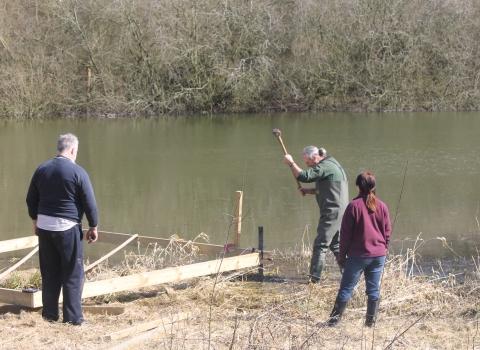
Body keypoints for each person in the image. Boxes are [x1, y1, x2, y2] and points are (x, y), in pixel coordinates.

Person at [26, 133, 98, 325]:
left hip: (45, 227)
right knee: (73, 273)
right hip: (67, 228)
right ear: (73, 150)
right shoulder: (78, 172)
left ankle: (49, 316)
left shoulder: (42, 169)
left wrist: (35, 220)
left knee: (50, 271)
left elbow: (31, 199)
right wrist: (93, 225)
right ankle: (73, 318)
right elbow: (89, 202)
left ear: (59, 148)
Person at [327, 172, 391, 327]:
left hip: (357, 256)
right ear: (374, 186)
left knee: (346, 289)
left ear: (358, 187)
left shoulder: (353, 206)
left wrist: (341, 256)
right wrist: (383, 248)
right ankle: (370, 324)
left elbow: (345, 236)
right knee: (373, 290)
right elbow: (387, 232)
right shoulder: (382, 206)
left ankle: (333, 323)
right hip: (378, 255)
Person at [284, 146, 349, 283]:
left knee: (320, 244)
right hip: (339, 211)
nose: (308, 166)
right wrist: (308, 191)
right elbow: (328, 189)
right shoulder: (331, 164)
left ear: (314, 157)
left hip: (332, 211)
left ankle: (314, 280)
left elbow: (304, 176)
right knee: (336, 244)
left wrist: (291, 163)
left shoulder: (325, 166)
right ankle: (350, 274)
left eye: (307, 163)